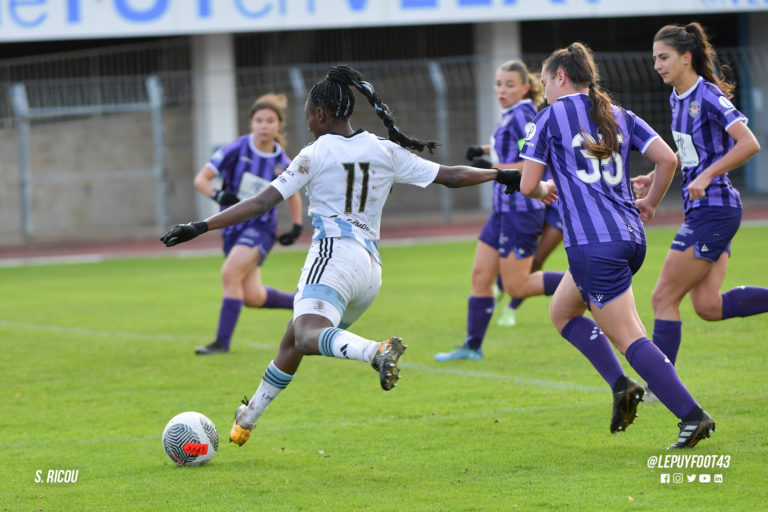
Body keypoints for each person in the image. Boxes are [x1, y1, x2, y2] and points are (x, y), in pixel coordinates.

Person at [161, 65, 523, 446]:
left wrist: (201, 225)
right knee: (295, 338)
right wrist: (500, 174)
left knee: (305, 333)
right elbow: (451, 175)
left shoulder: (316, 152)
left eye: (309, 119)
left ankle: (375, 351)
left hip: (334, 255)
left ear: (321, 114)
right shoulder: (384, 149)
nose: (309, 127)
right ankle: (247, 418)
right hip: (370, 272)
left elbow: (261, 202)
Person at [520, 42, 715, 448]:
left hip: (594, 245)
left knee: (628, 338)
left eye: (545, 82)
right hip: (629, 237)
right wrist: (649, 202)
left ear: (560, 76)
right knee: (563, 312)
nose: (544, 91)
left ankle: (692, 416)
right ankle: (622, 386)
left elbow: (527, 185)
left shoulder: (550, 116)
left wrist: (544, 190)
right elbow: (668, 160)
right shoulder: (619, 113)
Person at [631, 22, 766, 368]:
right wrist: (653, 175)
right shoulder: (677, 98)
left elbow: (749, 143)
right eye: (654, 59)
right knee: (708, 307)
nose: (658, 65)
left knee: (663, 298)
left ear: (686, 57)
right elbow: (687, 154)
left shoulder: (706, 94)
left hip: (715, 208)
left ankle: (660, 385)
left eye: (664, 57)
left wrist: (707, 175)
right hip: (704, 209)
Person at [435, 60, 564, 361]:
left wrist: (489, 167)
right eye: (498, 84)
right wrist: (483, 151)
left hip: (521, 209)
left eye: (509, 85)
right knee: (481, 276)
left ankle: (583, 282)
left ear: (525, 87)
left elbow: (534, 161)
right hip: (502, 209)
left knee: (517, 285)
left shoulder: (524, 115)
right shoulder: (511, 115)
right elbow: (512, 149)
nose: (502, 90)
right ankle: (472, 346)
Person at [191, 93, 304, 355]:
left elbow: (294, 194)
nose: (264, 126)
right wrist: (218, 195)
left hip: (261, 229)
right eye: (259, 120)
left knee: (230, 273)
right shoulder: (236, 149)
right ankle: (304, 303)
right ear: (251, 123)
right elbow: (202, 179)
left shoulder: (282, 162)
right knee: (253, 296)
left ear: (278, 126)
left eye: (270, 121)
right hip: (231, 229)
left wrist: (296, 226)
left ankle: (221, 343)